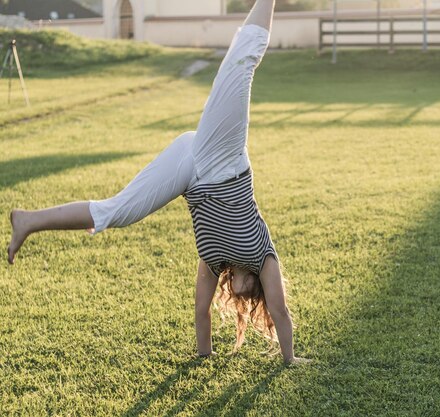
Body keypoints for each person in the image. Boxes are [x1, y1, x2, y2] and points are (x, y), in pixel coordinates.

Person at [7, 0, 309, 365]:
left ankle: (28, 220)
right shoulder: (263, 256)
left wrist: (203, 356)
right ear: (258, 287)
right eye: (245, 296)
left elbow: (202, 312)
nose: (238, 296)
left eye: (238, 297)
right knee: (241, 62)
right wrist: (290, 359)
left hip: (188, 170)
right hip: (222, 158)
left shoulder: (215, 261)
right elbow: (280, 312)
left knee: (117, 212)